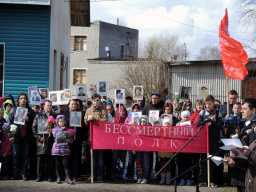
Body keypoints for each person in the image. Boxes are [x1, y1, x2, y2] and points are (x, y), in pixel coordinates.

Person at [226, 105, 256, 192]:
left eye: (255, 126)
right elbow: (248, 165)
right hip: (250, 184)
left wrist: (250, 154)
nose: (254, 130)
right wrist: (236, 160)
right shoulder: (253, 143)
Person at [7, 93, 36, 181]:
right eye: (21, 98)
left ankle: (24, 174)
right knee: (16, 155)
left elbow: (35, 125)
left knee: (25, 156)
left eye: (25, 98)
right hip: (16, 137)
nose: (23, 100)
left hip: (26, 138)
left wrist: (28, 120)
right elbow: (9, 123)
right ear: (18, 100)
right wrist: (11, 135)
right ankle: (16, 173)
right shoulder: (14, 110)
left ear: (27, 100)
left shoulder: (30, 111)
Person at [197, 95, 222, 188]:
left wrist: (213, 123)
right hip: (204, 140)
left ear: (213, 103)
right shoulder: (202, 113)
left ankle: (211, 180)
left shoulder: (217, 113)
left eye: (209, 104)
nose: (207, 106)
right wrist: (205, 122)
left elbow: (220, 126)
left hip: (214, 140)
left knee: (212, 159)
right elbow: (197, 125)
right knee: (203, 160)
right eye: (206, 104)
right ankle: (203, 179)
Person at [84, 93, 108, 182]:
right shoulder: (88, 110)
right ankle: (92, 175)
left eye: (98, 100)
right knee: (92, 158)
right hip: (91, 137)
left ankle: (100, 175)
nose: (96, 102)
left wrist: (94, 119)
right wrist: (87, 120)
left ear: (100, 101)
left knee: (100, 158)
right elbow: (85, 123)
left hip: (101, 138)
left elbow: (105, 121)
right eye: (94, 100)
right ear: (92, 101)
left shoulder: (104, 110)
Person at [32, 100, 57, 182]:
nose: (49, 107)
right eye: (47, 105)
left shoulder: (55, 115)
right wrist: (39, 138)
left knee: (50, 160)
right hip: (41, 141)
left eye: (50, 105)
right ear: (44, 106)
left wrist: (53, 130)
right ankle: (39, 176)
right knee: (40, 160)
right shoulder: (38, 115)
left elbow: (58, 127)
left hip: (51, 140)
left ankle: (50, 176)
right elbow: (34, 128)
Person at [64, 99, 87, 182]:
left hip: (78, 139)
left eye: (75, 104)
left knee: (76, 158)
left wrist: (84, 138)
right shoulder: (65, 114)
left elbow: (84, 127)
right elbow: (63, 125)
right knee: (68, 158)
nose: (73, 106)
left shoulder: (81, 113)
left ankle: (75, 175)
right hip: (68, 139)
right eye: (72, 104)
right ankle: (67, 175)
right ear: (69, 105)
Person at [51, 115, 74, 184]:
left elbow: (71, 140)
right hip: (57, 149)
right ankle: (58, 178)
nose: (61, 123)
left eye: (62, 121)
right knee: (58, 164)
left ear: (65, 122)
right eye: (60, 121)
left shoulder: (68, 129)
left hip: (65, 149)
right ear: (57, 122)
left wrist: (69, 140)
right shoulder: (55, 129)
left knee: (66, 164)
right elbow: (56, 135)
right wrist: (62, 129)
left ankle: (68, 178)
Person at [176, 111, 193, 186]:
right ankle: (181, 178)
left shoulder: (192, 124)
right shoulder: (178, 124)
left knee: (188, 163)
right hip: (180, 147)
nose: (185, 119)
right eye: (184, 117)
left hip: (189, 147)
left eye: (187, 117)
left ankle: (188, 178)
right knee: (181, 164)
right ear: (181, 117)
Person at [158, 118, 174, 185]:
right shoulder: (160, 132)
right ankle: (162, 179)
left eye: (168, 124)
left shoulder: (172, 133)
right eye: (165, 124)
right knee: (163, 166)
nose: (167, 125)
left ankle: (168, 179)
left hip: (169, 153)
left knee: (169, 166)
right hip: (162, 153)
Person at [136, 115, 150, 184]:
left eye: (144, 122)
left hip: (146, 149)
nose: (143, 123)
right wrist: (133, 148)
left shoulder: (150, 129)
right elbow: (134, 139)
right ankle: (139, 177)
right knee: (139, 163)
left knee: (146, 163)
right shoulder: (137, 129)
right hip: (138, 149)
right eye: (141, 122)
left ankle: (145, 177)